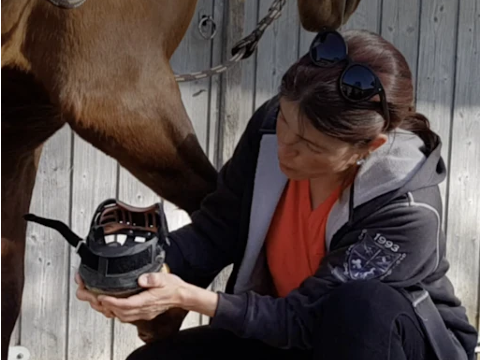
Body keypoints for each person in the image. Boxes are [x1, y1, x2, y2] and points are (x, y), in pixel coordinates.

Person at [76, 29, 478, 360]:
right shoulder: (270, 128)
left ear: (368, 147)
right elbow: (216, 231)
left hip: (386, 347)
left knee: (363, 309)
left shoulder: (409, 209)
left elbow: (309, 317)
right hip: (289, 335)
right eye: (285, 122)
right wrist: (133, 271)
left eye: (312, 146)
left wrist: (189, 297)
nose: (286, 147)